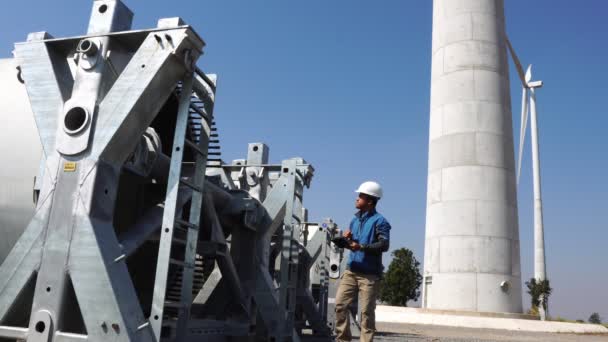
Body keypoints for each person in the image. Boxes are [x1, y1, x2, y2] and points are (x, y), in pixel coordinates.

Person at [334, 181, 391, 342]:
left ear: (370, 201)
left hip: (369, 275)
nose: (357, 199)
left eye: (360, 196)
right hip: (351, 270)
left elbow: (384, 245)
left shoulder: (380, 221)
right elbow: (355, 244)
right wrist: (348, 239)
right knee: (340, 306)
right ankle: (343, 339)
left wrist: (361, 246)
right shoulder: (354, 220)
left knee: (366, 312)